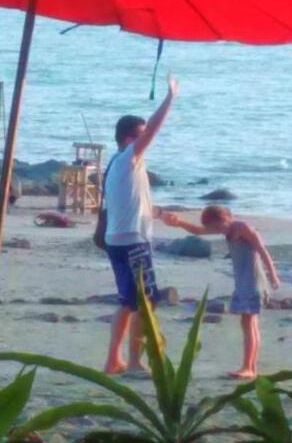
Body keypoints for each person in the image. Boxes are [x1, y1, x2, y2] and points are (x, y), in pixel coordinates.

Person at [103, 74, 178, 375]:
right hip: (132, 242)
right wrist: (170, 97)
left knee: (128, 302)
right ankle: (134, 361)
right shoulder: (126, 159)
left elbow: (131, 201)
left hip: (119, 238)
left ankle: (114, 360)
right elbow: (154, 129)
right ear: (127, 139)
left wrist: (158, 214)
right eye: (141, 136)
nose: (146, 141)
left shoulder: (120, 164)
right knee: (146, 303)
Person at [161, 206, 281, 379]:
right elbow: (198, 230)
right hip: (242, 281)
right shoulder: (226, 231)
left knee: (249, 322)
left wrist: (274, 276)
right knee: (248, 323)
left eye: (219, 226)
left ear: (227, 218)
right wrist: (179, 222)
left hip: (253, 281)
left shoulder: (243, 228)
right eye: (215, 228)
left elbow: (263, 251)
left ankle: (248, 367)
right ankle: (250, 368)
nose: (219, 230)